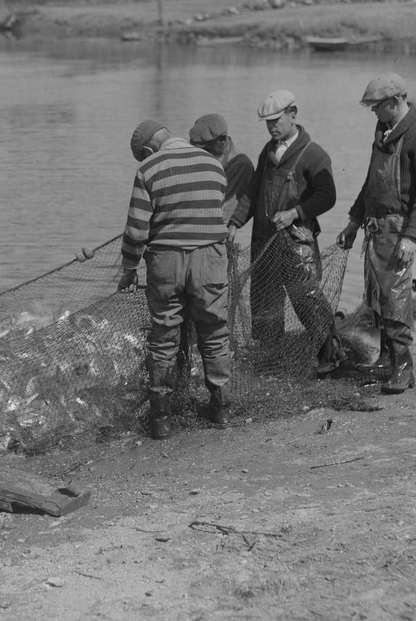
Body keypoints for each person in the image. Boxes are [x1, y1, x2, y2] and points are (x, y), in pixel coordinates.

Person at [118, 119, 232, 437]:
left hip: (165, 260)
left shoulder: (149, 169)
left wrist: (129, 268)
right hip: (210, 258)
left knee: (164, 336)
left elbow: (136, 229)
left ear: (146, 150)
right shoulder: (213, 164)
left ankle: (160, 420)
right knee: (214, 332)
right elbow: (214, 210)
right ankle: (221, 410)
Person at [227, 89, 346, 377]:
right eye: (267, 122)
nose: (271, 127)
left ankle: (331, 356)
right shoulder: (267, 153)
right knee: (265, 308)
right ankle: (271, 364)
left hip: (296, 245)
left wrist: (296, 212)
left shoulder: (313, 154)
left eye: (276, 120)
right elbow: (253, 194)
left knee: (307, 301)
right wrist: (234, 224)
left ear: (293, 114)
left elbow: (327, 196)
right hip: (264, 244)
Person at [337, 73, 416, 394]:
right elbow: (371, 184)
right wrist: (354, 222)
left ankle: (404, 368)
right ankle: (386, 360)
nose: (372, 112)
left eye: (376, 106)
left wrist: (412, 237)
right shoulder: (383, 132)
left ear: (395, 103)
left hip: (399, 232)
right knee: (378, 298)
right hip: (374, 229)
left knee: (395, 297)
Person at [189, 113, 255, 224]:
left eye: (207, 147)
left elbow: (225, 211)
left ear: (222, 140)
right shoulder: (207, 157)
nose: (202, 152)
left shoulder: (240, 166)